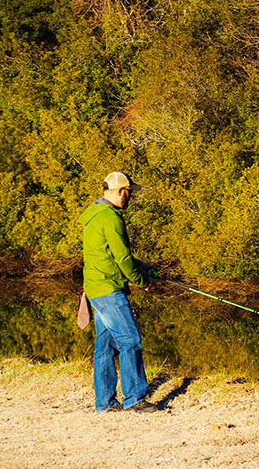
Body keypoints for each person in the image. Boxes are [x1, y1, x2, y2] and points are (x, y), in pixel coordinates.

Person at [78, 171, 157, 412]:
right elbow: (122, 258)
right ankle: (135, 399)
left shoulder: (93, 216)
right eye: (129, 192)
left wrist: (140, 266)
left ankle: (105, 403)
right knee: (130, 340)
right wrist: (142, 280)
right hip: (109, 290)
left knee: (106, 346)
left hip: (95, 288)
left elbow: (110, 253)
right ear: (120, 191)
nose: (130, 197)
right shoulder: (111, 218)